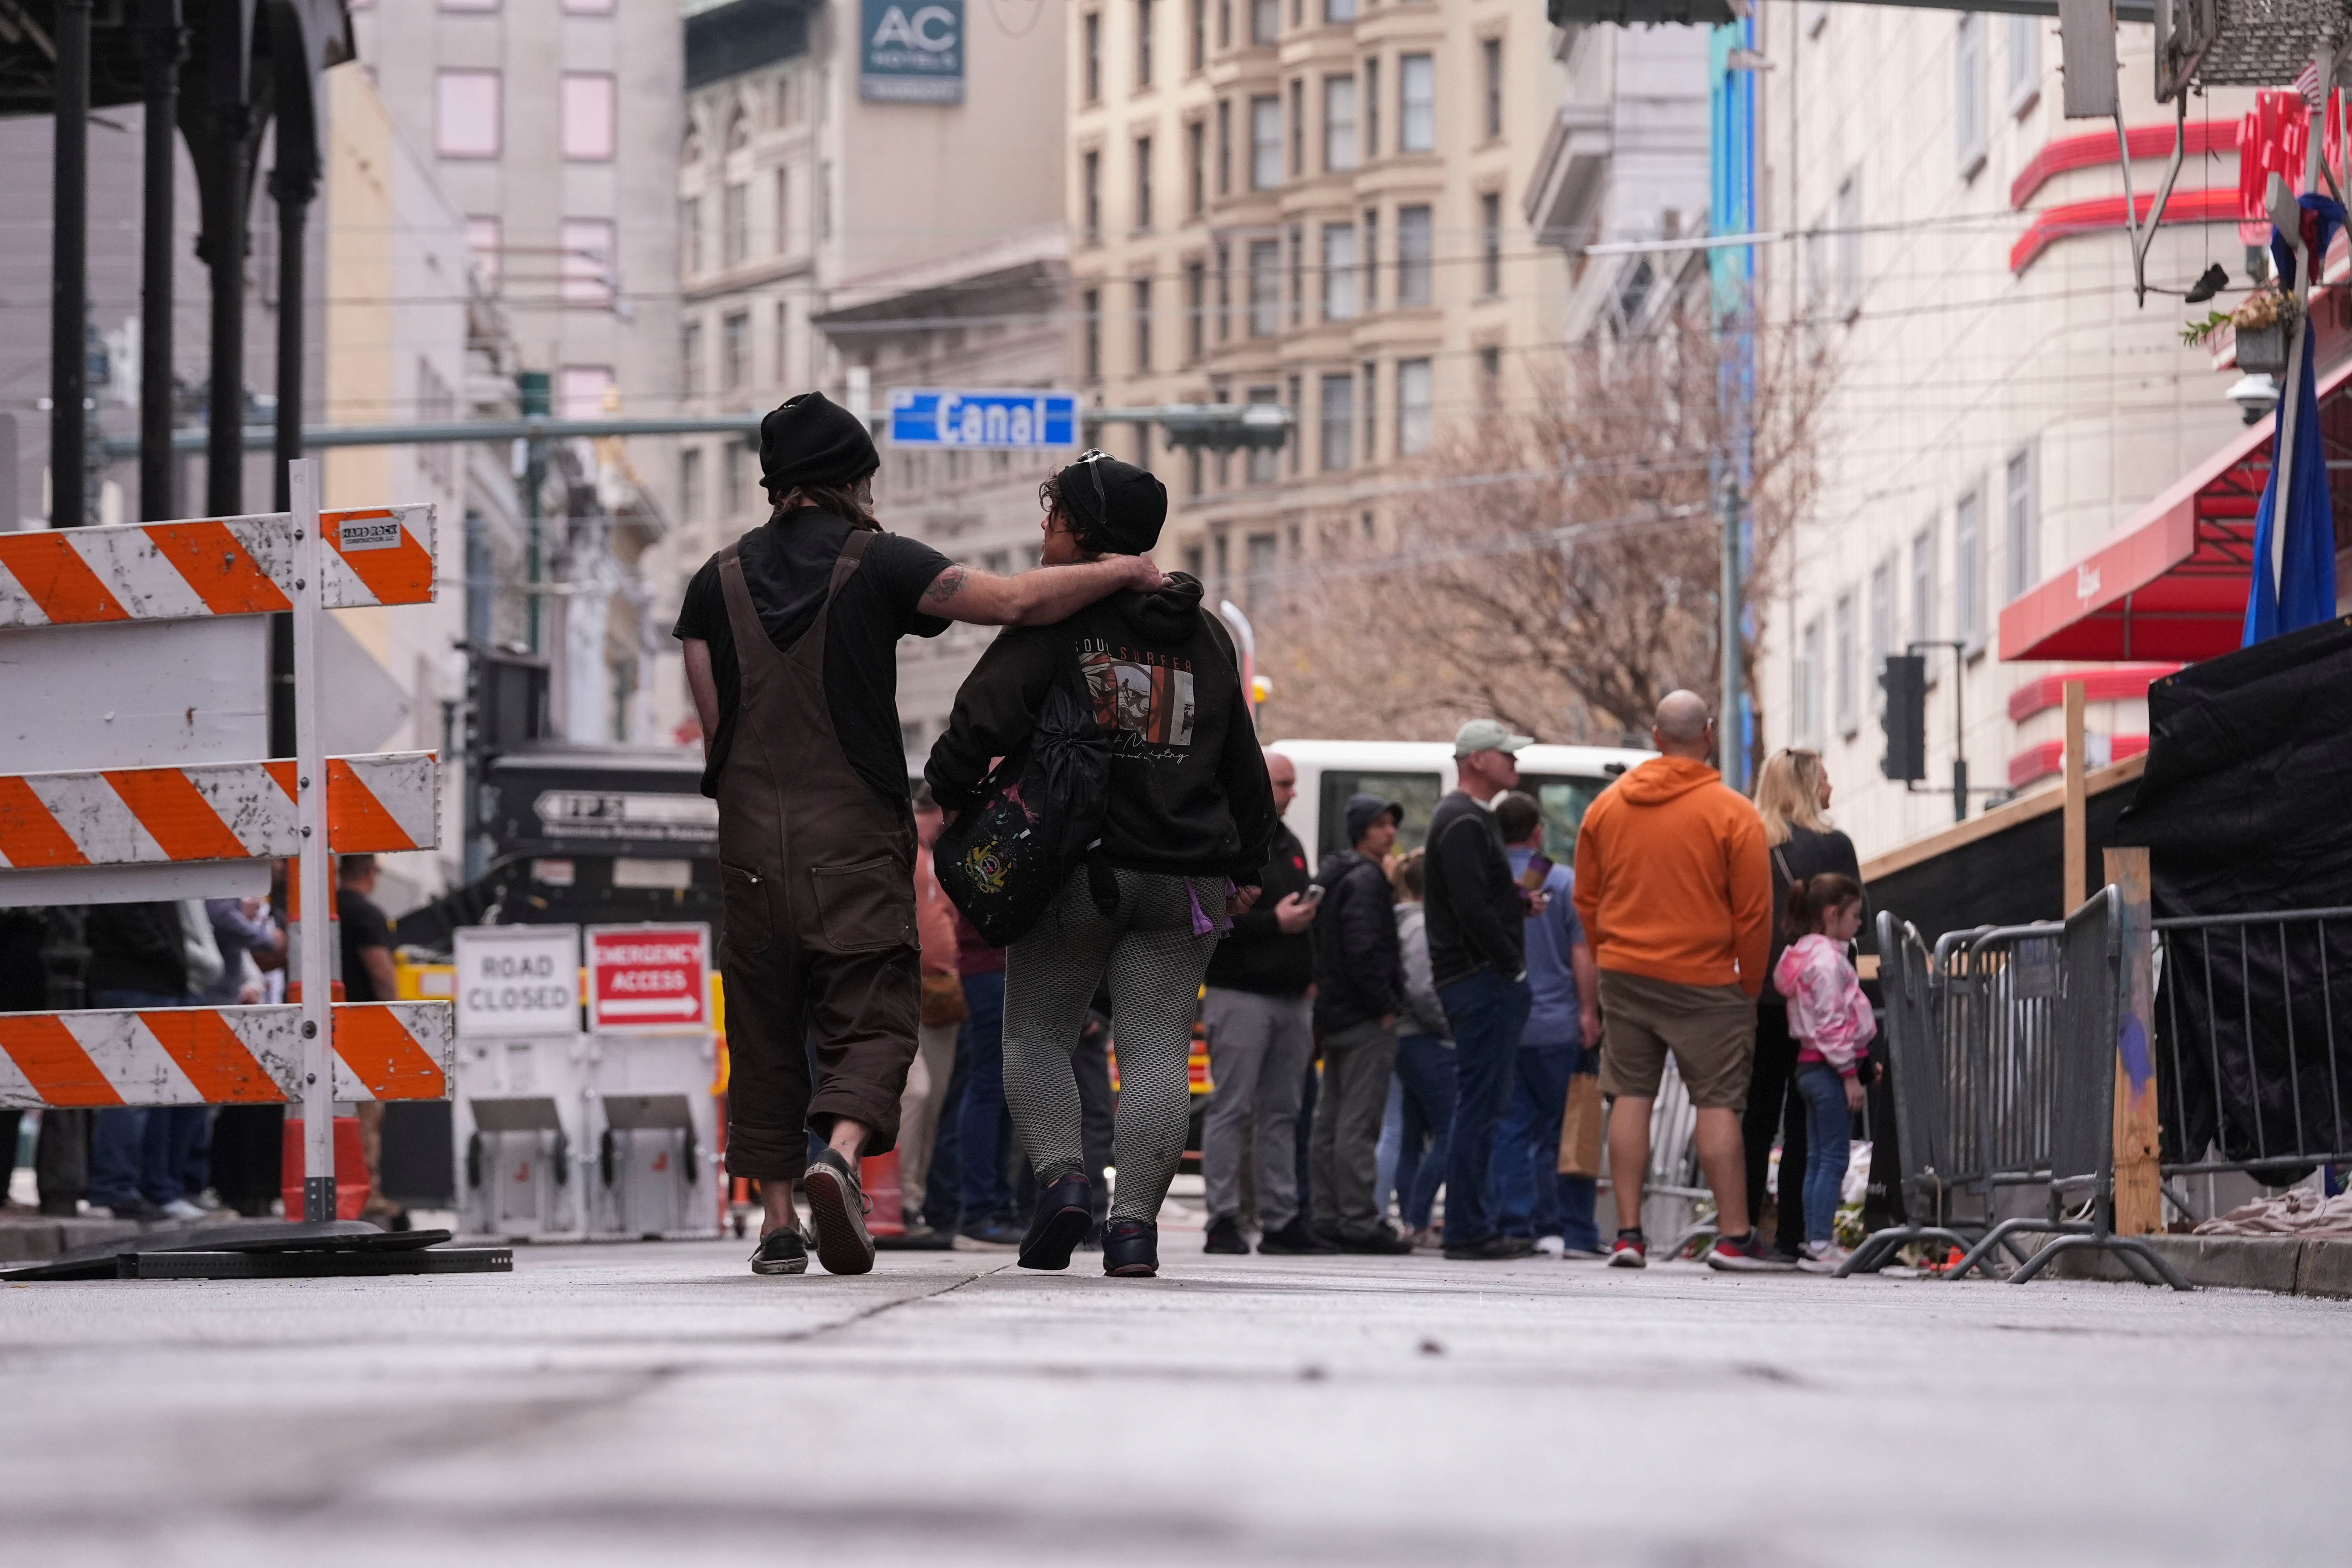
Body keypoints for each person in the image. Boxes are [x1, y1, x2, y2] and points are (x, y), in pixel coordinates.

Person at [677, 394, 1164, 1278]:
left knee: (763, 1017)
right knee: (873, 1009)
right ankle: (841, 1152)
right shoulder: (880, 560)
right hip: (854, 829)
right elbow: (1011, 600)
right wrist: (1125, 572)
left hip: (749, 837)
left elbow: (716, 729)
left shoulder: (712, 581)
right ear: (855, 479)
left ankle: (779, 1219)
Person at [928, 450, 1277, 1279]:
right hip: (1186, 879)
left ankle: (1063, 1183)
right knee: (1155, 1050)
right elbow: (1243, 762)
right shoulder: (1208, 634)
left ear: (1080, 531)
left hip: (1073, 868)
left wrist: (948, 791)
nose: (1043, 530)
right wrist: (1251, 860)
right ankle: (1133, 1232)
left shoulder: (1058, 618)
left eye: (1053, 517)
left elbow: (982, 716)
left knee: (1036, 1034)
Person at [1573, 691, 1782, 1272]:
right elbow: (1754, 912)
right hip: (1709, 980)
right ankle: (1735, 1237)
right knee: (1716, 1104)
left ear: (1657, 737)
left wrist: (1607, 951)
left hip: (1626, 973)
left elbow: (1585, 898)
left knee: (1631, 1096)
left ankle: (1629, 1235)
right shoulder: (1734, 813)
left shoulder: (1606, 809)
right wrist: (1750, 980)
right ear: (1709, 735)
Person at [1198, 749, 1325, 1256]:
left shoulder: (1288, 840)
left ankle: (1281, 1218)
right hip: (1240, 992)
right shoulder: (1231, 835)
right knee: (1231, 1108)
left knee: (1282, 1113)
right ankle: (1223, 1218)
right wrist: (1277, 922)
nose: (1293, 792)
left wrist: (1309, 969)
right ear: (1258, 781)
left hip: (1290, 996)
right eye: (1284, 783)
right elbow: (1211, 915)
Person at [1425, 719, 1541, 1261]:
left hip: (1480, 978)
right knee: (1481, 1105)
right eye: (1506, 755)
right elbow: (1470, 907)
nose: (1516, 763)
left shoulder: (1472, 819)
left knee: (1487, 1105)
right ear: (1477, 760)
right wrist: (1510, 966)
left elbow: (1474, 896)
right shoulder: (1463, 820)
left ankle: (1477, 1224)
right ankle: (1468, 1228)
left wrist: (1516, 903)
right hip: (1481, 981)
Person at [1746, 748, 1865, 1261]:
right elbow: (1854, 921)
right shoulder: (1833, 845)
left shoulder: (1749, 842)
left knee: (1754, 1116)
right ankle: (1796, 1233)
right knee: (1807, 1123)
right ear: (1806, 786)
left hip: (1760, 993)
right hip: (1818, 1004)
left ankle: (1740, 1227)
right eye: (1825, 779)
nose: (1832, 788)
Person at [1489, 792, 1604, 1258]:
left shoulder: (1492, 882)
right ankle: (1575, 1230)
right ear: (1537, 831)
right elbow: (1582, 952)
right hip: (1559, 1026)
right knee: (1572, 1127)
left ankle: (1516, 1224)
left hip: (1509, 1025)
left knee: (1512, 1128)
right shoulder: (1561, 882)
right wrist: (1588, 1011)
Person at [1308, 794, 1414, 1253]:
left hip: (1333, 1014)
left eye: (1391, 824)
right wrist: (1387, 1004)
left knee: (1329, 1120)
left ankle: (1328, 1215)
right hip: (1364, 1017)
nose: (1390, 832)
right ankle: (1358, 1219)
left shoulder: (1333, 874)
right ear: (1361, 832)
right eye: (1381, 825)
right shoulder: (1368, 880)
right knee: (1358, 1122)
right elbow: (1364, 948)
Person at [1772, 873, 1875, 1272]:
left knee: (1817, 1158)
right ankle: (1820, 1242)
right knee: (1833, 1159)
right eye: (1854, 915)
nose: (1859, 924)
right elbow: (1833, 1023)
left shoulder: (1800, 956)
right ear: (1832, 914)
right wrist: (1850, 1072)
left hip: (1809, 1065)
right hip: (1831, 1070)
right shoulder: (1830, 962)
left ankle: (1814, 1238)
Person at [83, 901, 194, 1222]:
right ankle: (117, 1188)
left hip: (147, 978)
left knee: (150, 1094)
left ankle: (143, 1188)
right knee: (133, 1094)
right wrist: (166, 953)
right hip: (138, 978)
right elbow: (122, 908)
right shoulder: (127, 861)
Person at [891, 784, 964, 1244]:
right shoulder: (903, 851)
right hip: (903, 987)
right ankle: (902, 1197)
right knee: (914, 1094)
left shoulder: (941, 857)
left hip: (941, 990)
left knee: (934, 1100)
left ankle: (916, 1198)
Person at [1388, 850, 1455, 1249]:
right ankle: (1417, 1216)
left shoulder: (1397, 919)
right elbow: (1421, 985)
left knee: (1413, 1133)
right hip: (1423, 1038)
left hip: (1403, 1037)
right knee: (1452, 1127)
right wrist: (1447, 1025)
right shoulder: (1420, 925)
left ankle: (1414, 1219)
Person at [338, 856, 408, 1229]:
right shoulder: (366, 914)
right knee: (366, 1117)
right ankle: (368, 1198)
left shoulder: (325, 910)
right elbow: (381, 972)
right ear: (370, 873)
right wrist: (394, 1025)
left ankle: (338, 1192)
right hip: (362, 1031)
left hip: (323, 1028)